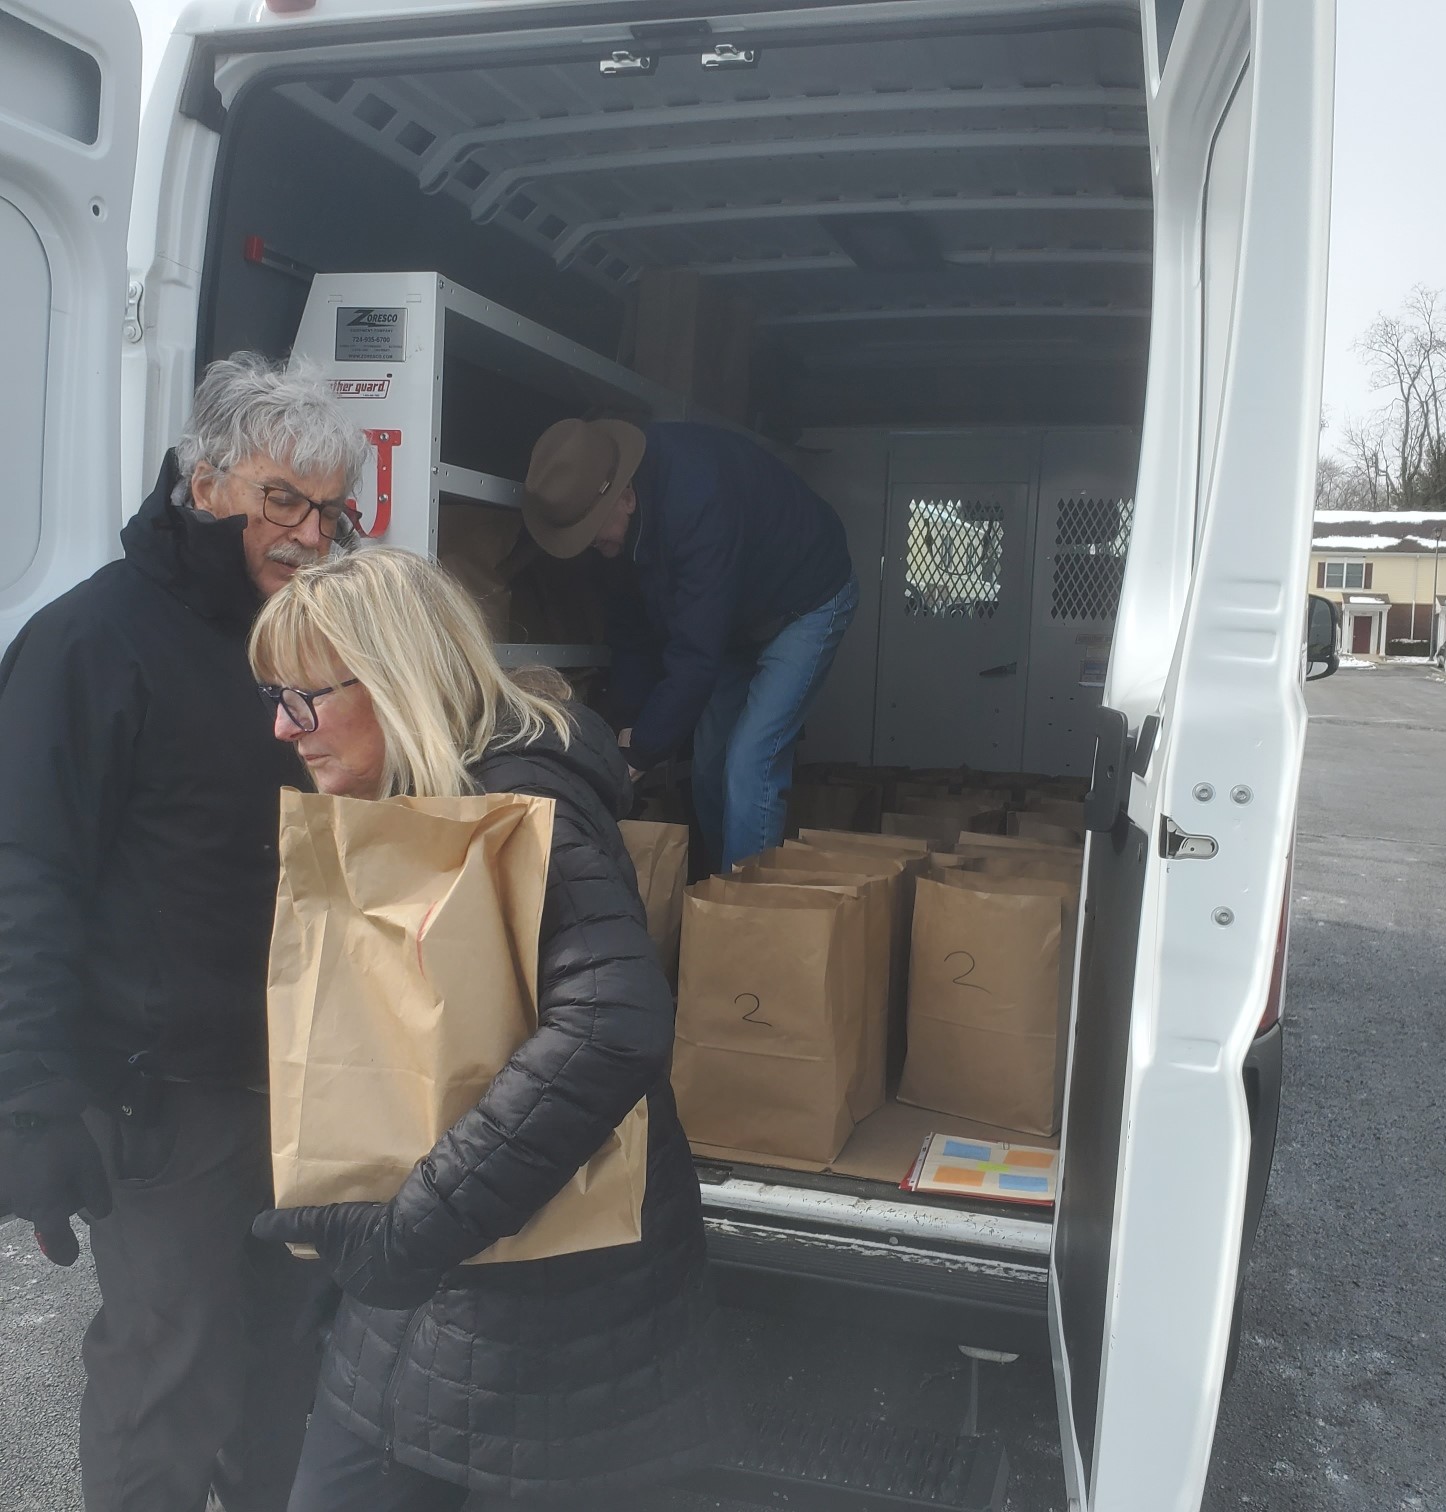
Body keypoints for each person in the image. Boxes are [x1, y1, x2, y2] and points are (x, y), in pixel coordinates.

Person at [245, 547, 719, 1511]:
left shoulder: (523, 803)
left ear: (394, 678)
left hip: (546, 1320)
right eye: (275, 696)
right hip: (437, 1297)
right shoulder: (421, 802)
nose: (283, 727)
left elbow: (614, 1027)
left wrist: (409, 1231)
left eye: (304, 698)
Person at [0, 352, 369, 1512]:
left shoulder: (306, 636)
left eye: (329, 509)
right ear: (204, 484)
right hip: (164, 1099)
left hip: (302, 1082)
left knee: (290, 1365)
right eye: (282, 501)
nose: (310, 535)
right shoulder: (91, 641)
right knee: (171, 1376)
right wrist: (31, 1101)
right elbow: (25, 872)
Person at [521, 418, 858, 871]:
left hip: (806, 601)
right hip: (735, 619)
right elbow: (633, 638)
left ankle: (745, 921)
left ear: (625, 496)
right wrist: (622, 728)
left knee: (750, 762)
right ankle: (719, 887)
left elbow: (696, 655)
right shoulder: (613, 540)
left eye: (592, 530)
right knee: (708, 767)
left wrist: (640, 753)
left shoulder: (698, 500)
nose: (589, 543)